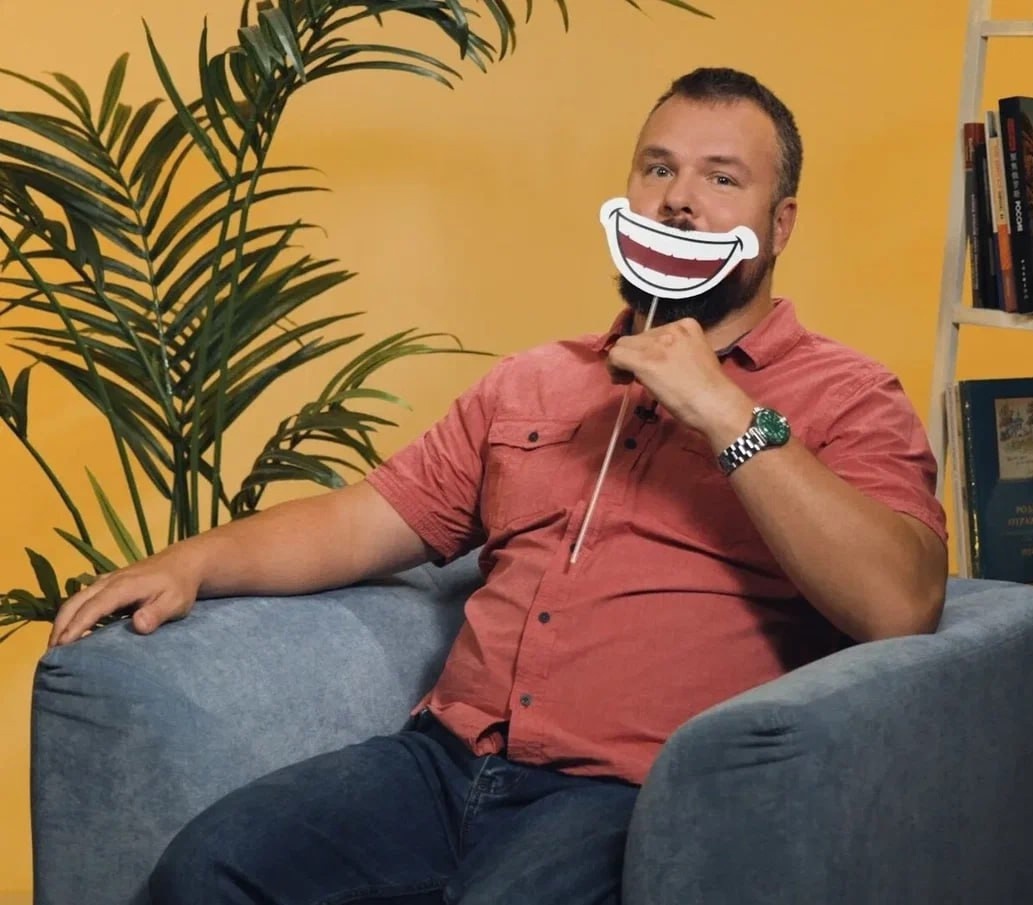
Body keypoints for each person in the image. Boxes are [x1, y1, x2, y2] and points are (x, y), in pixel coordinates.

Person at [47, 67, 948, 905]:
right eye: (658, 168)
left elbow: (900, 602)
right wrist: (194, 562)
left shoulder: (846, 394)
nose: (678, 197)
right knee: (207, 868)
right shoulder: (535, 381)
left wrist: (722, 412)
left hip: (627, 795)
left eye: (720, 178)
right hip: (440, 765)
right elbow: (366, 517)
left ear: (779, 224)